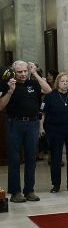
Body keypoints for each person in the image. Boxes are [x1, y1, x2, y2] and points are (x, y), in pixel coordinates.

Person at [0, 61, 52, 203]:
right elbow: (1, 106)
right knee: (15, 159)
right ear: (14, 72)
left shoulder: (33, 84)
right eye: (19, 72)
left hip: (32, 124)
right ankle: (15, 192)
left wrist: (35, 73)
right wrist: (10, 91)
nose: (23, 74)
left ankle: (29, 190)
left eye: (25, 71)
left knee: (31, 158)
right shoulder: (7, 85)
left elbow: (48, 90)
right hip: (14, 124)